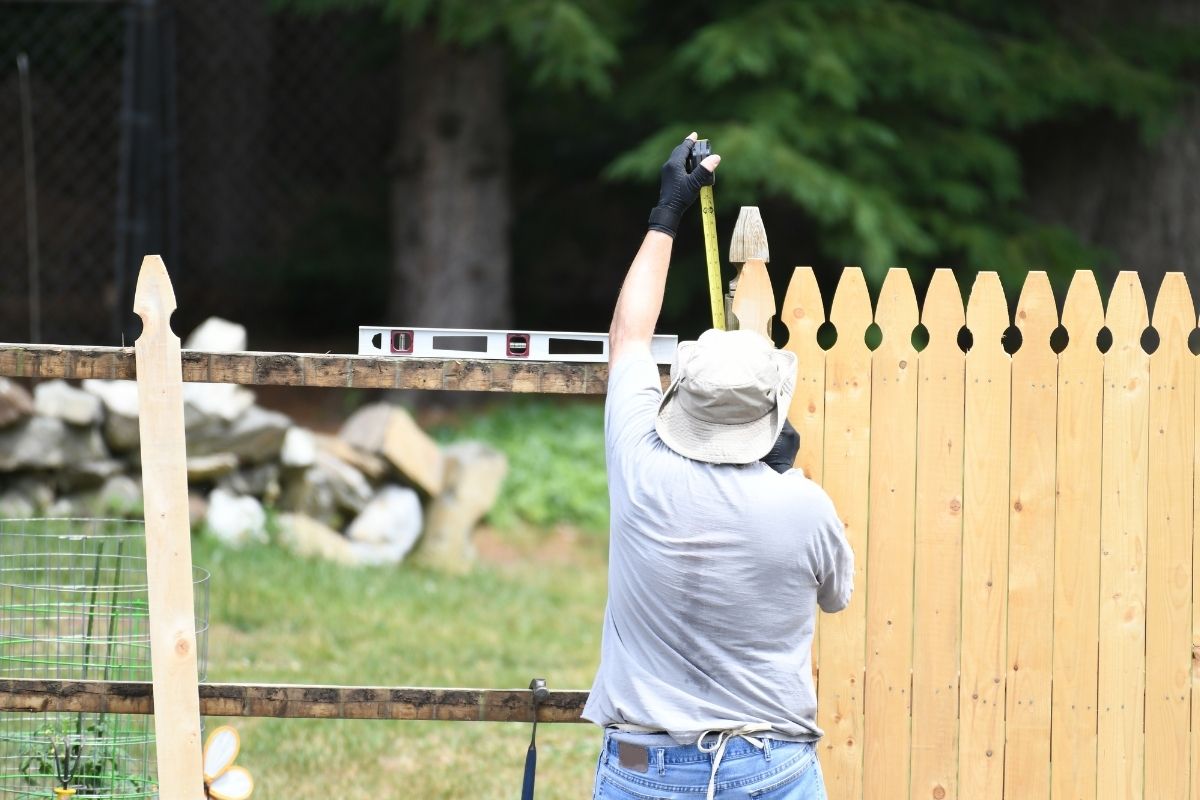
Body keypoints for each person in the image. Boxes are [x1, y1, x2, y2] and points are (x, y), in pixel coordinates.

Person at [583, 133, 855, 800]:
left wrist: (666, 214)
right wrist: (785, 479)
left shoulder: (639, 466)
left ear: (681, 401)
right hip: (772, 768)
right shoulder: (804, 506)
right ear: (768, 421)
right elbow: (836, 596)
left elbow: (629, 337)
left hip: (643, 767)